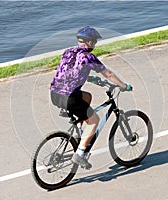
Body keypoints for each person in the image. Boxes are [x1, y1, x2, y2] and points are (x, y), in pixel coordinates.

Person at [50, 26, 132, 169]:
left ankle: (80, 131)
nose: (95, 44)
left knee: (87, 96)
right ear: (88, 42)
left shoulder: (68, 52)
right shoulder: (88, 57)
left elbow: (71, 72)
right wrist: (123, 86)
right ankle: (79, 155)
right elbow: (108, 74)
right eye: (94, 41)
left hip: (55, 94)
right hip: (70, 98)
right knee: (95, 120)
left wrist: (92, 79)